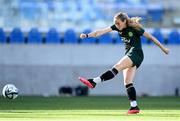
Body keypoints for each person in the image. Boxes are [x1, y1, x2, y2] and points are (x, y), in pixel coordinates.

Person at [79, 12, 169, 114]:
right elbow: (99, 32)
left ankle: (94, 81)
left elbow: (151, 37)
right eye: (115, 23)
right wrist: (87, 35)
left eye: (118, 23)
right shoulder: (117, 27)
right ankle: (134, 107)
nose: (117, 25)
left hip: (136, 53)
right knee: (127, 82)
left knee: (117, 66)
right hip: (130, 54)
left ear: (124, 21)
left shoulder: (135, 28)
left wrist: (163, 48)